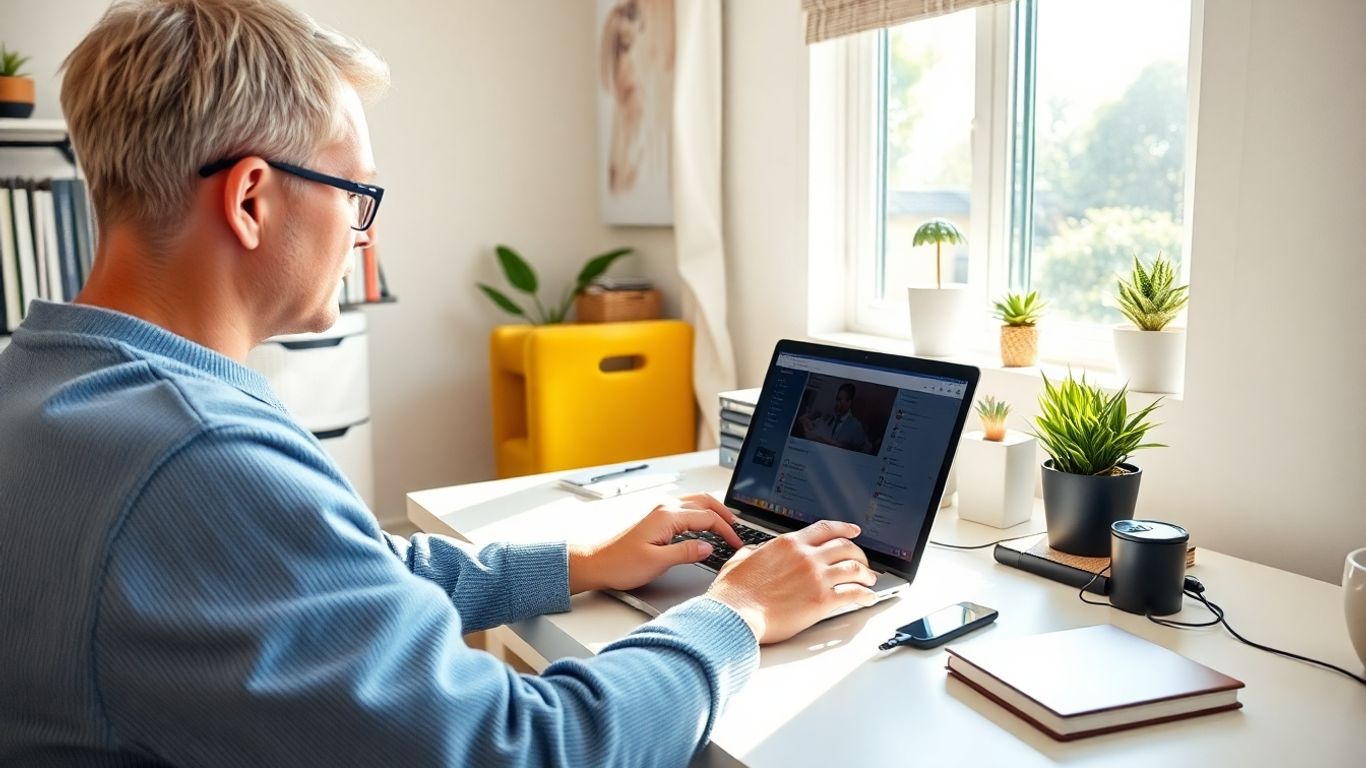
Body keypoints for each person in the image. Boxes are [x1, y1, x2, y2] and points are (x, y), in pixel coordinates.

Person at [0, 1, 878, 765]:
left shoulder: (50, 390)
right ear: (252, 200)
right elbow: (532, 748)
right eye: (357, 195)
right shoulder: (196, 457)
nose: (361, 235)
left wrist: (577, 563)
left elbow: (343, 574)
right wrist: (736, 614)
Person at [801, 382, 870, 452]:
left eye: (839, 400)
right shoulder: (827, 418)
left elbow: (866, 449)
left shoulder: (856, 426)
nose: (837, 403)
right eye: (837, 399)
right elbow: (810, 428)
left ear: (849, 402)